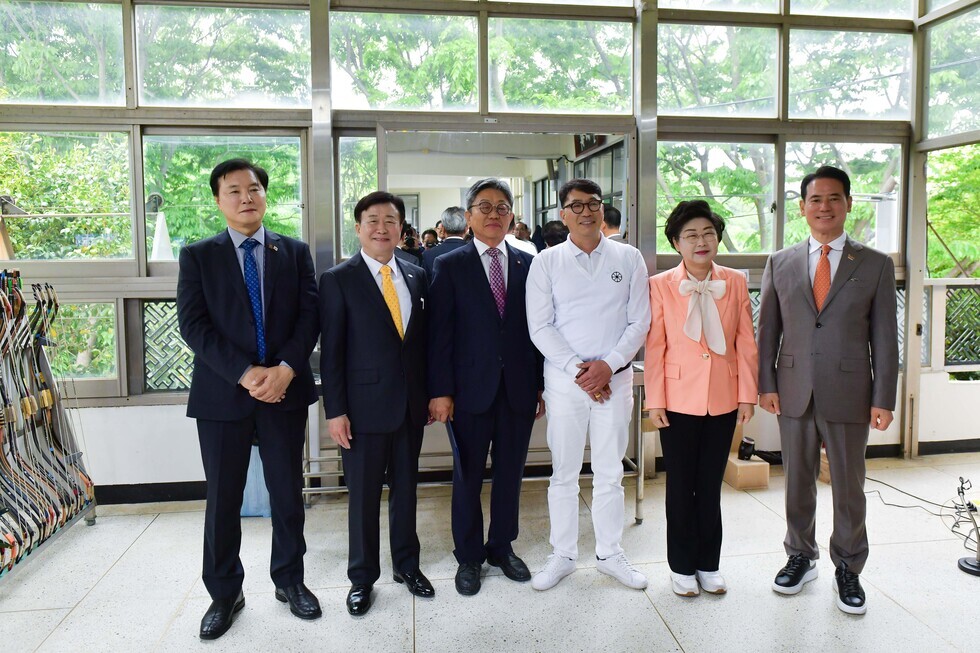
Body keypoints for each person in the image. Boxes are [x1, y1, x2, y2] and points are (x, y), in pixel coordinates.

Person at [176, 159, 321, 640]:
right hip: (223, 395)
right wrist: (245, 373)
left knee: (287, 494)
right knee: (222, 499)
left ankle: (290, 582)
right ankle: (224, 593)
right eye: (234, 190)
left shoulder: (294, 251)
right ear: (218, 200)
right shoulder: (198, 255)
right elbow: (194, 327)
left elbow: (309, 316)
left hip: (285, 390)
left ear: (265, 195)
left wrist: (284, 369)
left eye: (254, 188)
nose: (246, 197)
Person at [757, 165, 898, 615]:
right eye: (815, 199)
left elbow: (885, 337)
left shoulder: (874, 263)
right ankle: (800, 555)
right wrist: (766, 384)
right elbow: (769, 332)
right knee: (797, 479)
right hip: (793, 388)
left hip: (851, 392)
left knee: (849, 485)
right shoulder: (780, 261)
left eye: (834, 198)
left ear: (849, 204)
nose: (825, 207)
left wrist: (883, 398)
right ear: (802, 208)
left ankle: (849, 568)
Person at [526, 178, 651, 592]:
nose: (586, 212)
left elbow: (639, 321)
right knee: (563, 471)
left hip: (615, 381)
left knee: (610, 470)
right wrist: (581, 370)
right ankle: (562, 554)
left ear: (603, 209)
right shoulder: (547, 262)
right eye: (576, 206)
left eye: (593, 204)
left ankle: (610, 553)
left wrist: (609, 366)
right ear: (562, 215)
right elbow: (539, 326)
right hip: (565, 383)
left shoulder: (628, 257)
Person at [318, 191, 435, 617]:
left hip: (409, 406)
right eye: (372, 220)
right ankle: (362, 578)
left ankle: (407, 565)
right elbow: (331, 352)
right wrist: (335, 410)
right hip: (362, 409)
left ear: (401, 227)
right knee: (364, 497)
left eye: (390, 220)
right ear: (358, 227)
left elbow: (422, 344)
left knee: (406, 490)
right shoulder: (338, 278)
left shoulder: (416, 272)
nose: (382, 228)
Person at [428, 178, 545, 597]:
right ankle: (469, 556)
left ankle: (502, 547)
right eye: (484, 207)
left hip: (517, 388)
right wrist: (440, 391)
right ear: (469, 215)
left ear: (512, 216)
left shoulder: (529, 265)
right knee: (468, 476)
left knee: (511, 474)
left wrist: (539, 386)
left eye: (501, 207)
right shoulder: (449, 265)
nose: (493, 215)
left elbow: (537, 332)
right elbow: (439, 335)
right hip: (467, 392)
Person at [644, 200, 758, 598]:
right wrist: (654, 400)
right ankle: (680, 565)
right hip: (675, 398)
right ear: (676, 242)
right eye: (691, 235)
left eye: (708, 233)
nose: (701, 241)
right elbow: (654, 346)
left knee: (710, 485)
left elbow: (746, 342)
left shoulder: (736, 281)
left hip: (724, 397)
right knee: (680, 486)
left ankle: (709, 564)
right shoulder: (659, 285)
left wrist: (748, 395)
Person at [422, 207, 468, 277]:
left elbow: (425, 285)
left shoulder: (428, 254)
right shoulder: (477, 253)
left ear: (442, 229)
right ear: (466, 228)